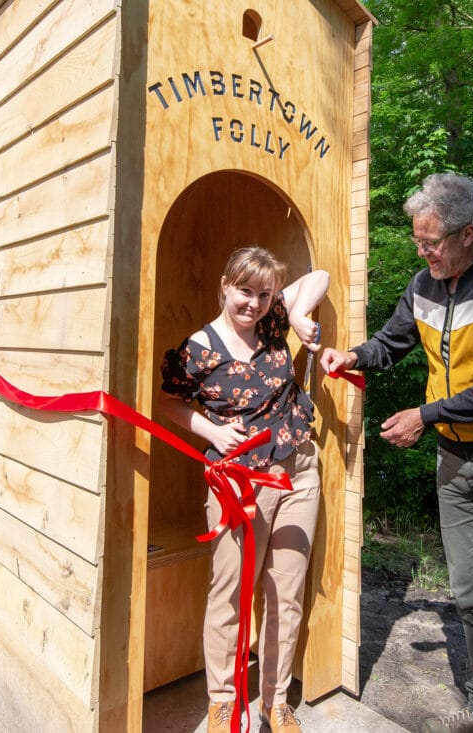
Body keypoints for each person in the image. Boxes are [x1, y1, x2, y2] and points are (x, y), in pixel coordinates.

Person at [320, 173, 473, 733]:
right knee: (471, 596)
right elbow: (392, 342)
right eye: (417, 241)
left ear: (468, 234)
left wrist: (424, 417)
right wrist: (350, 356)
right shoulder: (423, 284)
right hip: (455, 463)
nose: (422, 252)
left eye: (432, 242)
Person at [160, 247, 329, 733]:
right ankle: (222, 703)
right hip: (238, 486)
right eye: (244, 292)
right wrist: (211, 432)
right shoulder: (198, 349)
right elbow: (169, 402)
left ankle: (276, 703)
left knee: (287, 593)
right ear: (224, 285)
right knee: (230, 594)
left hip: (298, 472)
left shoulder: (275, 321)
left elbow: (321, 276)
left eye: (263, 294)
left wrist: (295, 311)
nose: (253, 304)